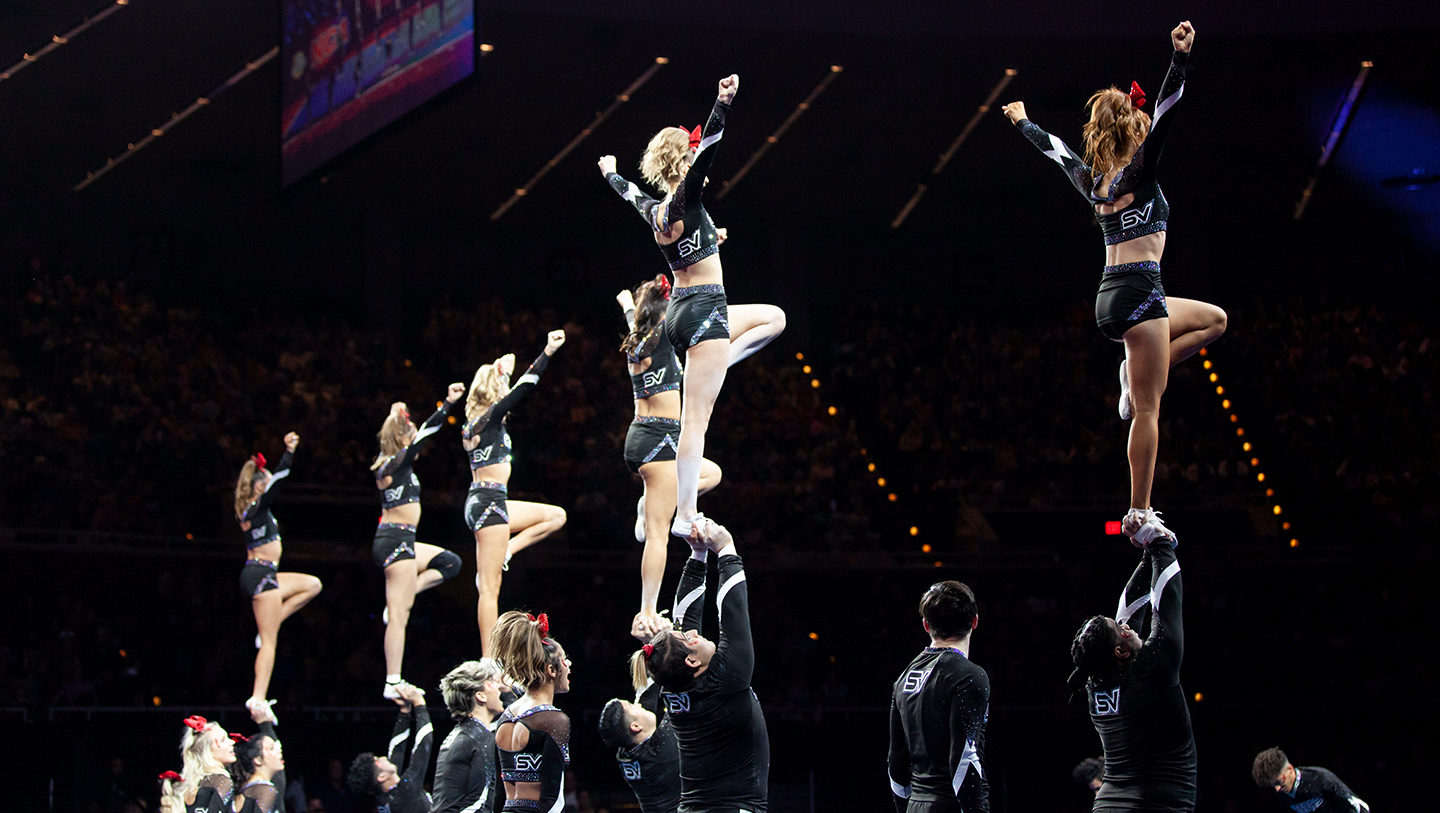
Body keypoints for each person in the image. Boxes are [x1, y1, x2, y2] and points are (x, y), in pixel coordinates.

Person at [1001, 21, 1226, 544]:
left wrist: (1023, 122)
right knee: (1148, 409)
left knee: (1214, 320)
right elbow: (1167, 112)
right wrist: (1179, 59)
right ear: (1135, 132)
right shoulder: (1139, 175)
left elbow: (1058, 153)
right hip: (1141, 294)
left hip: (1112, 295)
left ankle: (1130, 369)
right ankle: (1139, 512)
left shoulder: (1095, 183)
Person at [599, 73, 786, 540]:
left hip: (689, 311)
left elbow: (629, 194)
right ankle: (683, 513)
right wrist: (722, 103)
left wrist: (609, 173)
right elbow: (711, 150)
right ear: (681, 159)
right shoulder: (686, 196)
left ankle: (718, 362)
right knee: (694, 424)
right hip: (704, 311)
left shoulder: (657, 210)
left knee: (774, 319)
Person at [616, 279, 723, 641]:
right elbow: (678, 300)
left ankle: (650, 504)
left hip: (646, 436)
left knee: (710, 473)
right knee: (657, 535)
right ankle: (646, 607)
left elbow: (638, 317)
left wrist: (628, 306)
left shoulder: (638, 341)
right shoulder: (661, 335)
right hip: (659, 440)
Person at [638, 518, 769, 812]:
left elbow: (686, 620)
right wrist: (725, 548)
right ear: (691, 660)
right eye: (688, 638)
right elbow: (733, 613)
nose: (695, 632)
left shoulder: (680, 683)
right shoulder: (724, 681)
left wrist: (698, 555)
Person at [1065, 532, 1194, 811]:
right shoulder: (1149, 671)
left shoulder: (1095, 682)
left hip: (1112, 804)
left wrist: (1149, 549)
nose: (1126, 626)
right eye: (1120, 629)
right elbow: (1166, 595)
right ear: (1121, 652)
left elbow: (1132, 606)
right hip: (1156, 805)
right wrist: (1156, 539)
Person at [463, 331, 569, 656]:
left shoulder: (482, 424)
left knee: (555, 516)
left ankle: (510, 548)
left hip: (489, 501)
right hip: (489, 503)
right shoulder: (486, 419)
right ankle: (488, 659)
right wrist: (547, 351)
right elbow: (525, 387)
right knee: (489, 589)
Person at [371, 385, 467, 698]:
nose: (414, 439)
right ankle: (392, 680)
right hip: (395, 540)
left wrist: (396, 416)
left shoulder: (398, 463)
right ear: (401, 438)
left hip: (405, 540)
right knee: (399, 617)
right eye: (409, 433)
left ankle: (402, 595)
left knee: (450, 563)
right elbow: (428, 432)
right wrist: (449, 404)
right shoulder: (391, 464)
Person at [234, 431, 324, 720]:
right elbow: (281, 479)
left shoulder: (258, 509)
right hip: (259, 574)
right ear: (259, 486)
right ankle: (257, 697)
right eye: (267, 481)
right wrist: (288, 452)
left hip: (267, 573)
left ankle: (268, 626)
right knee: (270, 643)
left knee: (312, 585)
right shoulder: (254, 507)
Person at [887, 581, 990, 813]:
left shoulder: (904, 677)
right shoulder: (968, 675)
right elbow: (964, 757)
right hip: (950, 804)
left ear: (925, 624)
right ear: (975, 620)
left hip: (916, 804)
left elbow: (895, 759)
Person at [490, 610, 574, 813]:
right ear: (551, 671)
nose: (569, 664)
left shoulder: (506, 716)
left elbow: (499, 793)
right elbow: (551, 797)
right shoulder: (553, 720)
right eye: (564, 660)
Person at [598, 671, 681, 813]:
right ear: (635, 727)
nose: (639, 706)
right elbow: (681, 699)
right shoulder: (662, 751)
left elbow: (648, 694)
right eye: (633, 706)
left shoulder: (625, 754)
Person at [346, 682, 434, 813]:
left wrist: (405, 711)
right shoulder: (404, 794)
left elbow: (397, 749)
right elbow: (423, 746)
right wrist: (419, 702)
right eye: (377, 760)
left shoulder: (387, 795)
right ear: (381, 777)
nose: (382, 757)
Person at [432, 659, 507, 813]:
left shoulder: (466, 734)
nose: (499, 688)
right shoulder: (477, 738)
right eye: (491, 683)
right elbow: (479, 803)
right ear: (481, 696)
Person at [1251, 748, 1369, 812]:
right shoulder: (1283, 794)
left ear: (1290, 769)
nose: (1277, 789)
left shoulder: (1321, 779)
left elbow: (1359, 806)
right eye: (1272, 785)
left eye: (1278, 783)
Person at [165, 715, 237, 813]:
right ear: (208, 751)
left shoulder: (191, 785)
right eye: (223, 740)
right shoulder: (221, 781)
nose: (232, 742)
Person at [232, 707, 287, 813]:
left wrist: (264, 723)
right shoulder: (263, 790)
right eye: (271, 748)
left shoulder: (257, 787)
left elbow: (280, 780)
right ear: (257, 760)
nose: (279, 750)